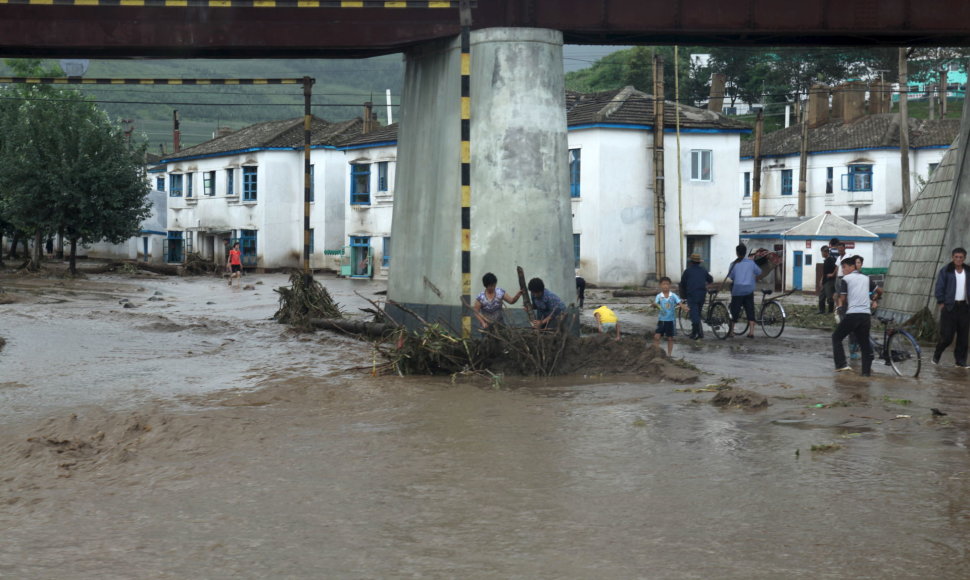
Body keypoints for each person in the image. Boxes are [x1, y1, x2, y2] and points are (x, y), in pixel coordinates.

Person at [832, 256, 882, 376]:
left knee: (836, 337)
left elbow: (843, 299)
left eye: (844, 267)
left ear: (851, 267)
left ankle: (841, 364)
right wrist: (875, 298)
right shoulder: (866, 278)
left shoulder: (846, 279)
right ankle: (866, 374)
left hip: (853, 314)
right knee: (864, 344)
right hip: (866, 316)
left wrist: (837, 305)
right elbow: (879, 291)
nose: (843, 270)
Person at [932, 247, 969, 368]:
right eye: (956, 257)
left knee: (963, 336)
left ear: (964, 258)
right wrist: (941, 303)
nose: (958, 259)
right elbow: (939, 287)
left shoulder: (968, 271)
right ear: (952, 257)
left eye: (961, 257)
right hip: (949, 307)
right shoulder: (946, 271)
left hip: (964, 307)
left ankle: (960, 361)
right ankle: (937, 355)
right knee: (947, 337)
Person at [726, 243, 762, 339]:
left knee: (735, 310)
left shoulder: (733, 264)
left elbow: (731, 277)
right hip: (749, 289)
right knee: (750, 309)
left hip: (738, 290)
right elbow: (759, 272)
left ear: (737, 253)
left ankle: (732, 331)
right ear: (745, 252)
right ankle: (751, 332)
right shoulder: (751, 263)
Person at [680, 253, 713, 339]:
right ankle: (700, 333)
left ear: (691, 262)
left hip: (692, 295)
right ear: (699, 262)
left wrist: (683, 295)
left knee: (694, 315)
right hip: (702, 295)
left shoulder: (687, 271)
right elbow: (711, 279)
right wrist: (705, 283)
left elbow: (682, 284)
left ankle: (695, 333)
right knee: (697, 313)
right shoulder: (703, 270)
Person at [652, 276, 682, 356]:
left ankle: (669, 355)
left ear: (670, 285)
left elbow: (679, 302)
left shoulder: (673, 296)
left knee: (670, 338)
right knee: (656, 336)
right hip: (661, 320)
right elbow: (656, 304)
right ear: (660, 285)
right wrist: (654, 305)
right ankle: (656, 353)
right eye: (663, 284)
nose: (665, 286)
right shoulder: (659, 296)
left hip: (671, 321)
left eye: (667, 284)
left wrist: (683, 307)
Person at [817, 245, 837, 314]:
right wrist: (821, 279)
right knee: (821, 296)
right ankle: (821, 310)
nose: (821, 254)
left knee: (829, 297)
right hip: (825, 281)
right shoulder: (825, 260)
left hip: (830, 281)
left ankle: (830, 311)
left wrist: (832, 274)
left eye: (822, 252)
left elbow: (836, 267)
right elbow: (824, 272)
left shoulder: (831, 260)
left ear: (826, 252)